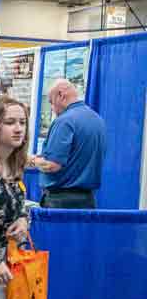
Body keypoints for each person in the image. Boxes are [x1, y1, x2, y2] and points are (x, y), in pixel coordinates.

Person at [0, 97, 31, 299]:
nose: (18, 128)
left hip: (4, 266)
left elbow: (19, 205)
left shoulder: (15, 164)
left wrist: (23, 219)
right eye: (10, 122)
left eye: (22, 122)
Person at [30, 79, 106, 208]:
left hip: (60, 201)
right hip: (88, 201)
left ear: (60, 95)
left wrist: (31, 160)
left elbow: (52, 165)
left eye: (51, 102)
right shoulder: (97, 120)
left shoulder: (64, 121)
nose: (53, 109)